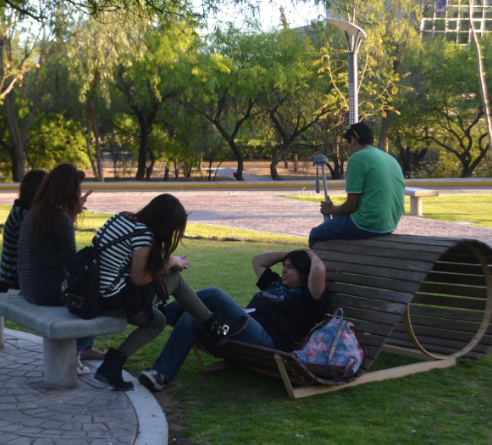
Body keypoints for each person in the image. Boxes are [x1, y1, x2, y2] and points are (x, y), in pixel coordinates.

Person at [92, 194, 248, 392]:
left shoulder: (121, 217)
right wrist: (171, 262)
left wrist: (164, 264)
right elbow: (138, 278)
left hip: (95, 293)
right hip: (112, 299)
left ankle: (111, 366)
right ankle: (215, 327)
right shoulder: (143, 235)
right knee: (174, 278)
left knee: (158, 320)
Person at [138, 248, 328, 391]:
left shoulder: (308, 297)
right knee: (193, 315)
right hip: (236, 328)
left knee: (214, 294)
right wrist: (291, 254)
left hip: (267, 339)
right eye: (284, 267)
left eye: (290, 268)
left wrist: (308, 254)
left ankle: (160, 313)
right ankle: (160, 375)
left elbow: (318, 269)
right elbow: (258, 261)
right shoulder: (275, 283)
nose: (284, 271)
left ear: (304, 273)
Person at [17, 163, 98, 372]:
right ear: (70, 192)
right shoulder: (61, 218)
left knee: (95, 288)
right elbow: (73, 265)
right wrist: (72, 215)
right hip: (47, 291)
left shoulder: (35, 212)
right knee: (103, 298)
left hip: (29, 288)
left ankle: (84, 348)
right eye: (77, 190)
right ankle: (75, 352)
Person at [310, 121, 405, 248]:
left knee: (316, 234)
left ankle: (320, 268)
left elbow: (351, 206)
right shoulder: (389, 158)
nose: (348, 150)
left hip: (367, 224)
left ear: (353, 140)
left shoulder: (357, 158)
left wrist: (332, 209)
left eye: (347, 144)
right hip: (390, 224)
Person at [0, 169, 47, 295]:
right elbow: (43, 249)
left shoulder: (23, 211)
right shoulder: (23, 215)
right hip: (13, 282)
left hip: (15, 278)